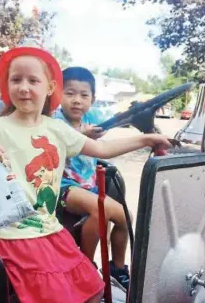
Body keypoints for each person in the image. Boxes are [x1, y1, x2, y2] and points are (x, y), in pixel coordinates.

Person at [0, 47, 172, 303]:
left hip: (47, 226)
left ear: (49, 87)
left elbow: (102, 149)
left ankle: (117, 268)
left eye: (33, 80)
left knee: (93, 290)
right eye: (16, 80)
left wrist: (147, 138)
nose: (24, 87)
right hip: (15, 231)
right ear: (7, 85)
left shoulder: (56, 128)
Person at [53, 67, 129, 289]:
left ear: (93, 99)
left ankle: (118, 268)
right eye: (70, 93)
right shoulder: (55, 121)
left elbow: (114, 121)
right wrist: (83, 134)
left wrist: (133, 114)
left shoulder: (92, 116)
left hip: (91, 188)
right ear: (58, 94)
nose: (77, 101)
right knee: (102, 209)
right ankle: (84, 266)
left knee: (126, 218)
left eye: (84, 95)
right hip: (63, 188)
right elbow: (63, 140)